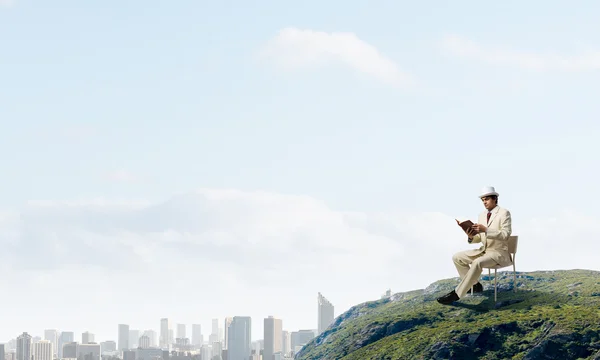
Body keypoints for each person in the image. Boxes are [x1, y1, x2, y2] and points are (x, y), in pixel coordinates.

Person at [437, 186, 513, 305]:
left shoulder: (504, 213)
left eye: (486, 199)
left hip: (499, 253)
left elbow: (505, 235)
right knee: (457, 257)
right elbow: (479, 238)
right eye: (482, 200)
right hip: (484, 251)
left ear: (494, 199)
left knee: (477, 262)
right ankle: (475, 285)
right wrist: (471, 236)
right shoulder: (481, 215)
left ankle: (457, 294)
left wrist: (486, 229)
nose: (484, 202)